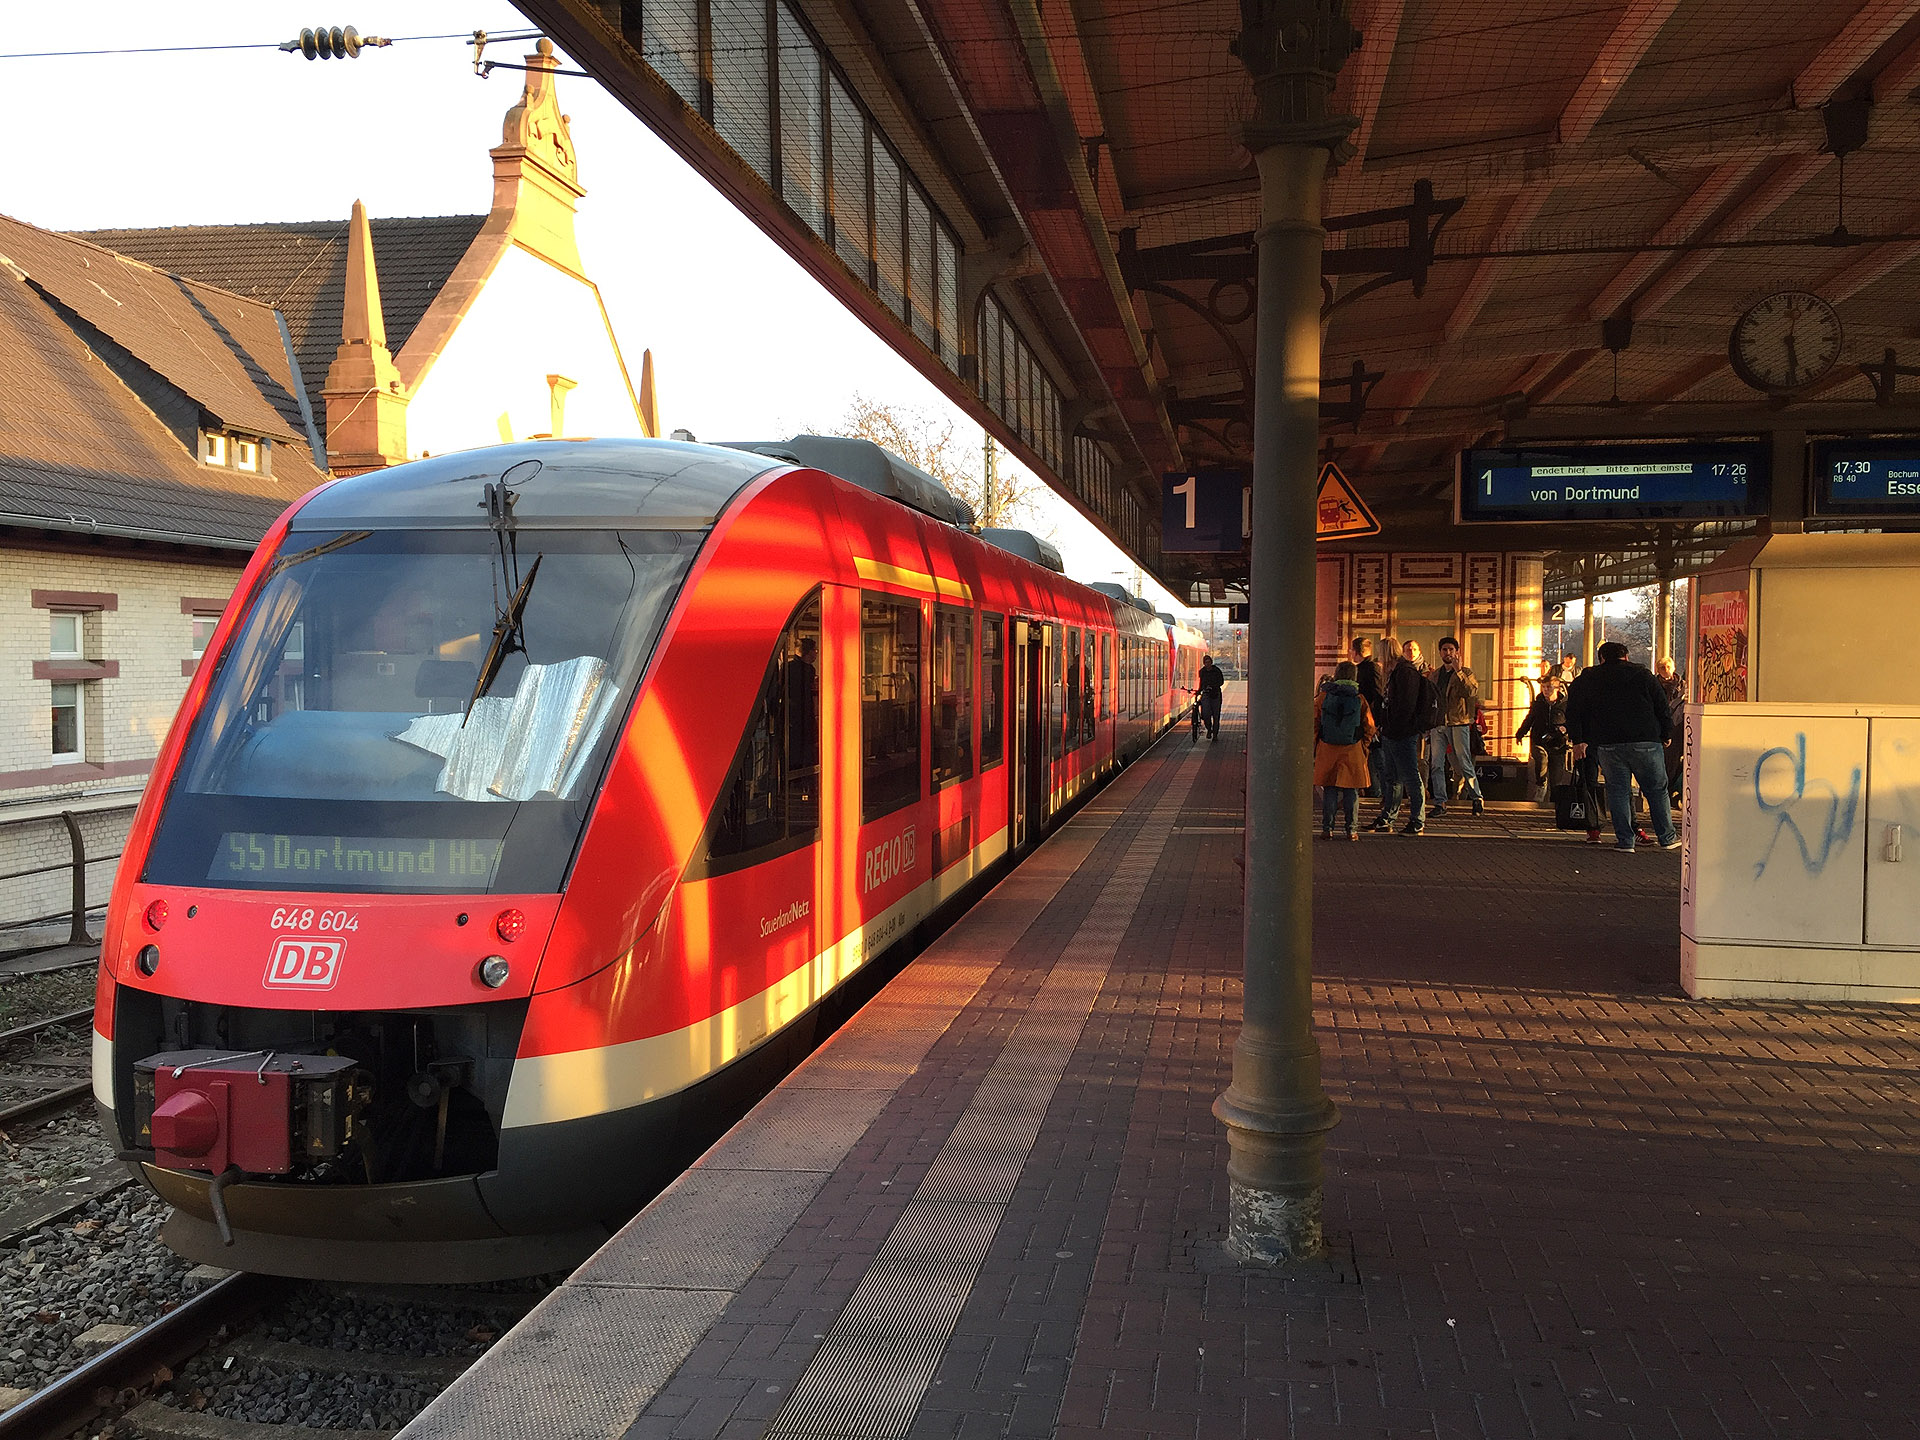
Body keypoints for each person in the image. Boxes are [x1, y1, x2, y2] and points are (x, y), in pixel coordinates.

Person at [1566, 640, 1678, 852]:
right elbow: (1662, 705)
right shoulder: (1643, 675)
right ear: (1626, 657)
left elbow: (1574, 710)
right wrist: (1666, 733)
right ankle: (1667, 837)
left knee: (1618, 791)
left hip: (1608, 744)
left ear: (1602, 658)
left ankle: (1626, 841)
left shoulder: (1589, 678)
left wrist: (1578, 739)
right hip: (1646, 740)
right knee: (1656, 790)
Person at [1372, 636, 1434, 835]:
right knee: (1393, 777)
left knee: (1409, 776)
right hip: (1393, 731)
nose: (1379, 659)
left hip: (1402, 732)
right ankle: (1388, 817)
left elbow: (1405, 705)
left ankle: (1417, 820)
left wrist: (1393, 725)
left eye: (1380, 653)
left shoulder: (1404, 672)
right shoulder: (1397, 672)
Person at [1315, 660, 1375, 840]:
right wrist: (1364, 745)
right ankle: (1352, 830)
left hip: (1328, 748)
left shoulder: (1323, 697)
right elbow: (1369, 726)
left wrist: (1315, 746)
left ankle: (1328, 829)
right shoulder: (1359, 699)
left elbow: (1315, 723)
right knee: (1351, 791)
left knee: (1330, 790)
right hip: (1353, 749)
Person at [1425, 636, 1484, 817]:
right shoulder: (1435, 675)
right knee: (1436, 764)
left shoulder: (1465, 672)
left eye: (1451, 649)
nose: (1448, 653)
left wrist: (1459, 672)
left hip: (1458, 722)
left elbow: (1471, 692)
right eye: (1444, 650)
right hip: (1439, 724)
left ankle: (1476, 797)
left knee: (1463, 761)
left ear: (1456, 652)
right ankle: (1440, 802)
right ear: (1440, 652)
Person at [1515, 672, 1568, 796]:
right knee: (1541, 759)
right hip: (1539, 740)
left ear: (1557, 688)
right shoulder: (1538, 704)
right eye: (1544, 687)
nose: (1545, 690)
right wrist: (1521, 733)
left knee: (1556, 777)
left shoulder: (1565, 705)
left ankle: (1554, 801)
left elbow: (1572, 721)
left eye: (1549, 687)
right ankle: (1540, 786)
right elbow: (1530, 719)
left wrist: (1565, 729)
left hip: (1557, 743)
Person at [1352, 637, 1385, 800]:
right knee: (1372, 758)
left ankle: (1381, 792)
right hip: (1366, 718)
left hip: (1370, 720)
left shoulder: (1370, 668)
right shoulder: (1365, 668)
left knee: (1377, 758)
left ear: (1356, 651)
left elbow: (1378, 694)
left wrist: (1376, 721)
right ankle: (1375, 790)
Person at [1197, 653, 1224, 741]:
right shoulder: (1202, 672)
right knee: (1205, 714)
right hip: (1206, 694)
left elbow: (1221, 682)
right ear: (1204, 663)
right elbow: (1201, 683)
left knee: (1216, 716)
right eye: (1206, 662)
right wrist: (1199, 691)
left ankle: (1215, 734)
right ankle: (1209, 729)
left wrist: (1213, 686)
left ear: (1211, 662)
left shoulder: (1216, 671)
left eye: (1209, 662)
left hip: (1215, 694)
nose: (1207, 664)